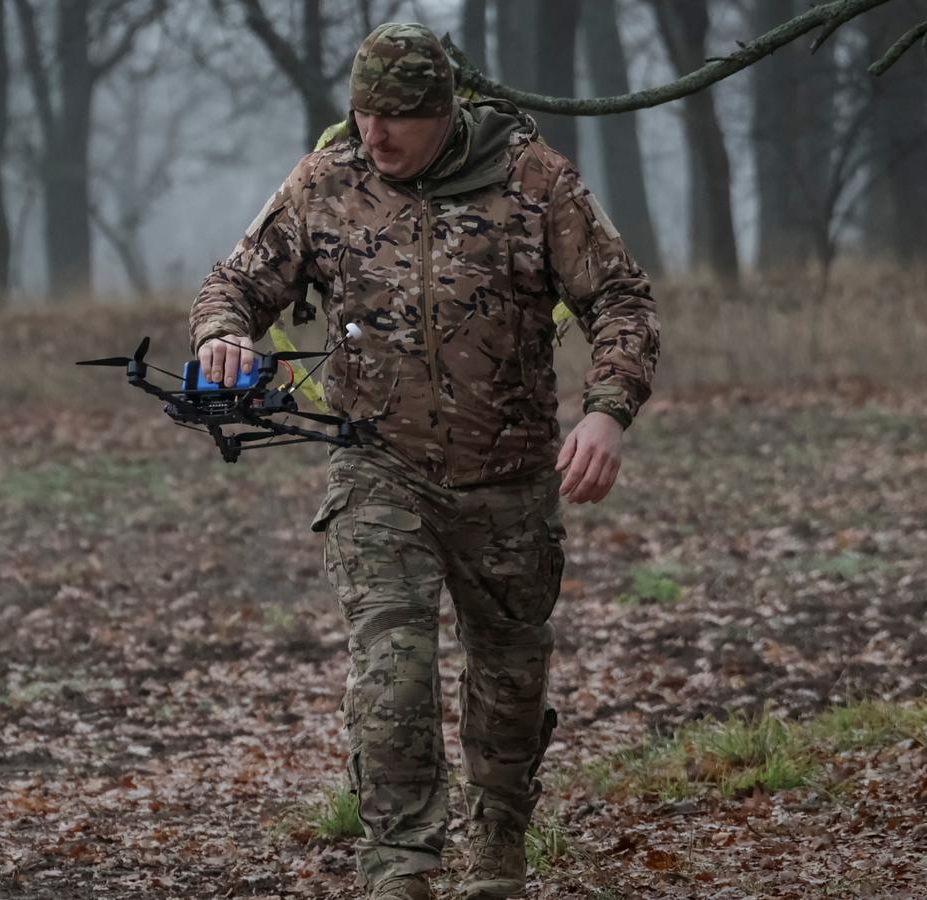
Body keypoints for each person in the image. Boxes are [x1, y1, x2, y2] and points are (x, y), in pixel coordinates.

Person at [189, 22, 659, 900]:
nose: (376, 136)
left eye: (398, 118)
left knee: (510, 681)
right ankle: (399, 867)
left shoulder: (533, 180)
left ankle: (497, 845)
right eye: (364, 113)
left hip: (511, 478)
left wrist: (607, 416)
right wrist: (222, 337)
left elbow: (622, 300)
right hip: (379, 469)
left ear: (448, 111)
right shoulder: (325, 182)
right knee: (393, 671)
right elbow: (235, 284)